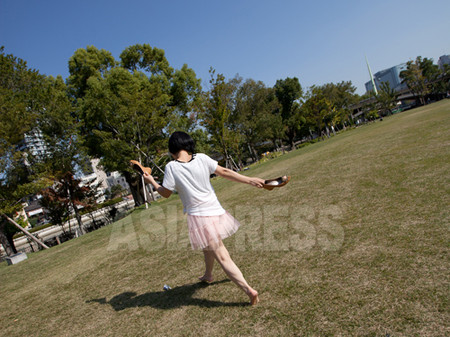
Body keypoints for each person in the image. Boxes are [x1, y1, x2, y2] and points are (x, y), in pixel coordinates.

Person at [143, 131, 264, 305]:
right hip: (217, 211)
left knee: (222, 256)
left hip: (200, 216)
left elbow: (166, 193)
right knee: (209, 246)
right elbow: (224, 171)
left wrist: (152, 182)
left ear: (173, 149)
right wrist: (249, 179)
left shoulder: (171, 167)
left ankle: (249, 290)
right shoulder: (201, 158)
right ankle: (208, 275)